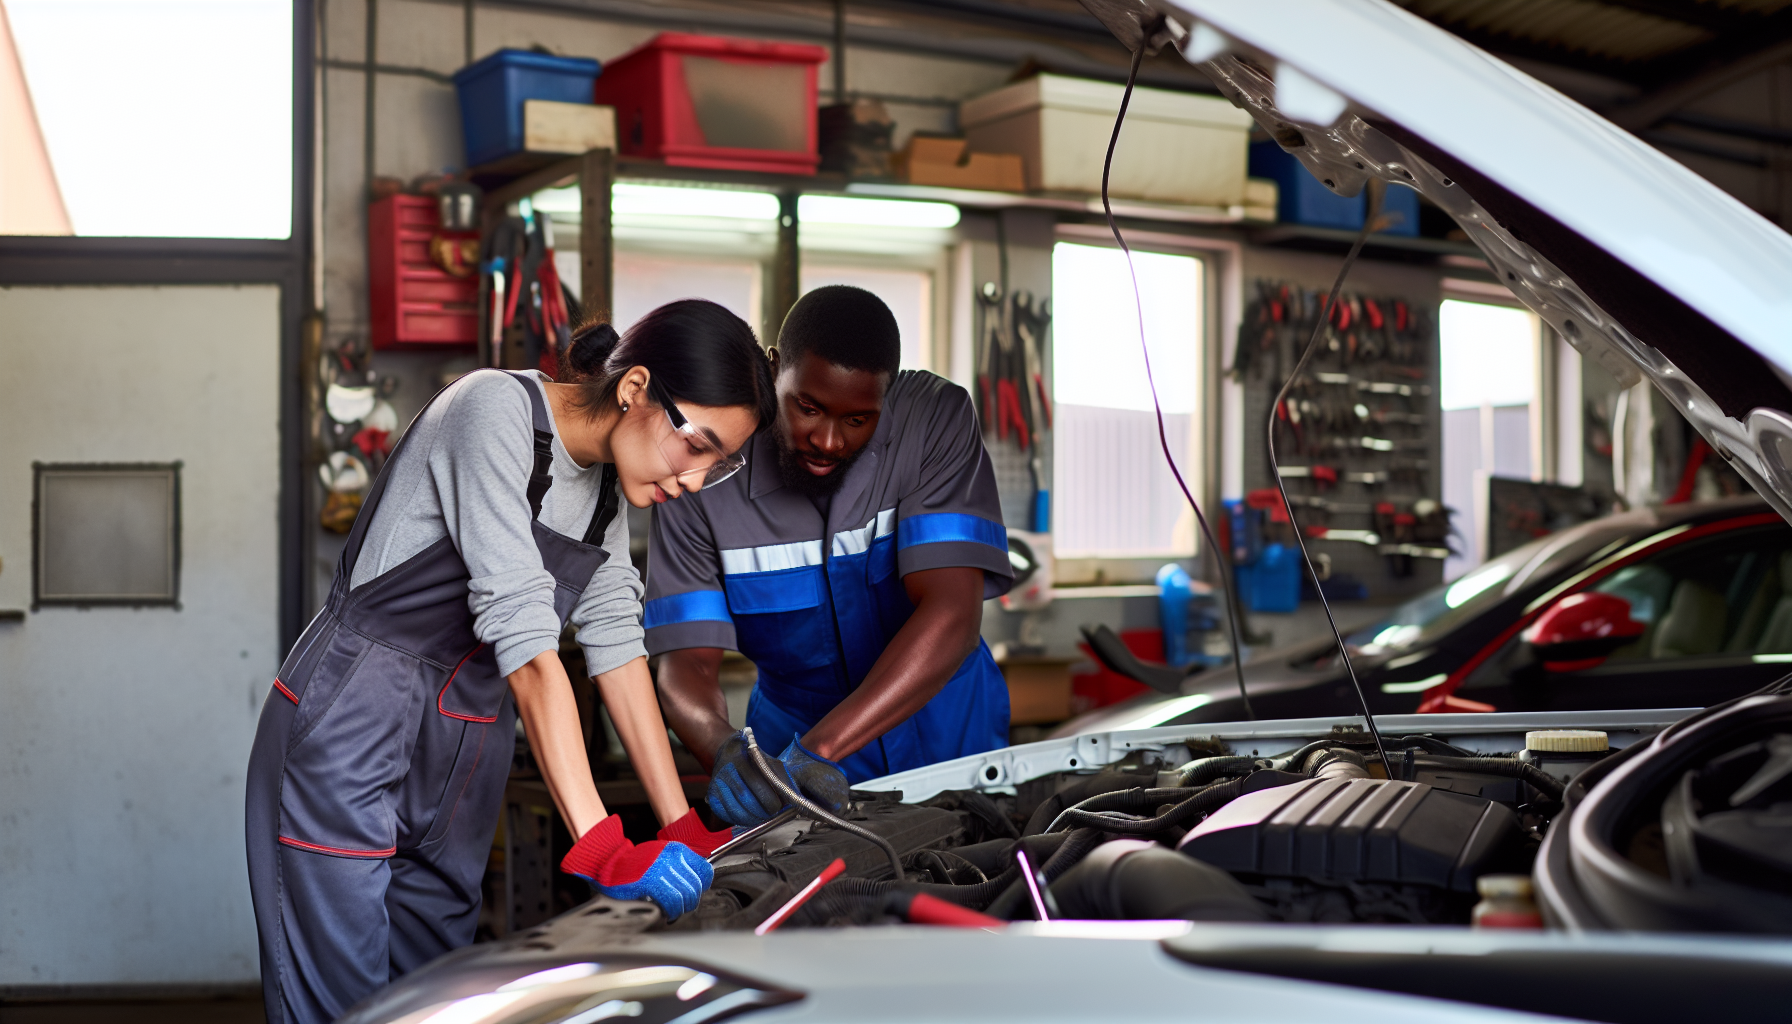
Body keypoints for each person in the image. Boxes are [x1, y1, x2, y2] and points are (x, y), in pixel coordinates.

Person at [245, 301, 767, 1024]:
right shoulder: (493, 409)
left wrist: (679, 824)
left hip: (463, 742)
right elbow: (526, 645)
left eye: (719, 464)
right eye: (696, 445)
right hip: (354, 716)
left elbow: (615, 639)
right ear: (635, 388)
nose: (693, 479)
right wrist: (602, 846)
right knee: (344, 1001)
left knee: (438, 989)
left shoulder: (609, 485)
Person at [648, 285, 1012, 827]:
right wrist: (723, 750)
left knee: (978, 882)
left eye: (858, 420)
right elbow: (686, 660)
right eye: (808, 407)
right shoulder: (704, 469)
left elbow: (951, 615)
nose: (828, 440)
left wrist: (822, 748)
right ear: (774, 371)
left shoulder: (935, 423)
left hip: (949, 728)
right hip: (785, 743)